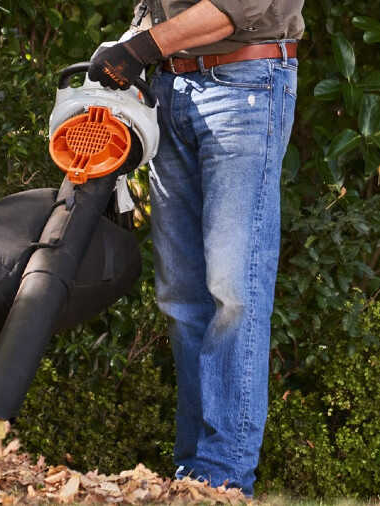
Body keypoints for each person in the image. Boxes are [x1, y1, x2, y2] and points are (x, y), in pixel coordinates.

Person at [87, 0, 304, 496]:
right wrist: (128, 42)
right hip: (171, 88)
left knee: (233, 287)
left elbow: (239, 7)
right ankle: (192, 476)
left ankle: (224, 480)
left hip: (246, 82)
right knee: (182, 297)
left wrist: (140, 48)